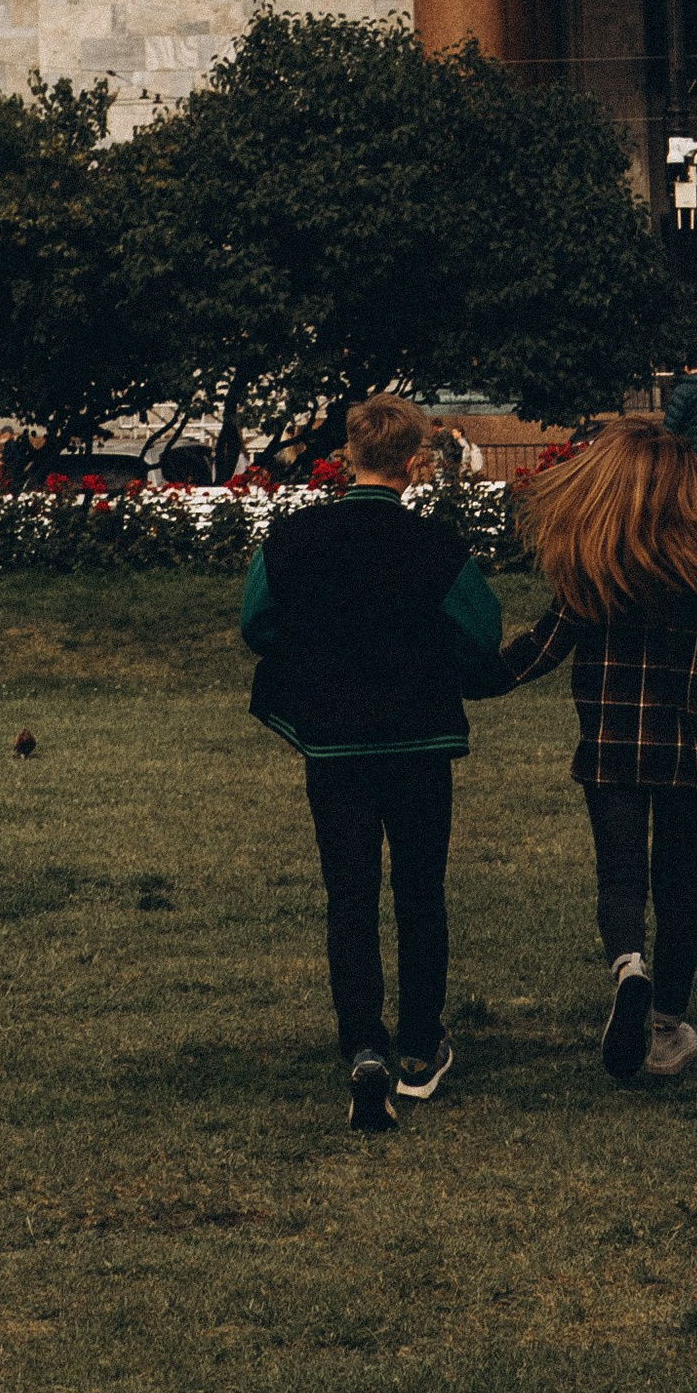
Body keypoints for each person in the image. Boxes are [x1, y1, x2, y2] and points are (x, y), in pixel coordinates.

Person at [498, 418, 697, 1084]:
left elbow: (537, 653)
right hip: (688, 759)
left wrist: (461, 678)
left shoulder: (592, 570)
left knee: (619, 881)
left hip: (610, 754)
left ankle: (628, 969)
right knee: (679, 894)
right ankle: (666, 1026)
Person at [240, 392, 510, 1134]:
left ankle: (364, 1044)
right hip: (420, 741)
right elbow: (481, 634)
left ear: (347, 456)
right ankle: (420, 1045)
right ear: (415, 463)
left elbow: (256, 622)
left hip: (333, 744)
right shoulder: (437, 546)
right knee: (421, 893)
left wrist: (316, 660)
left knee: (350, 896)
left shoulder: (293, 537)